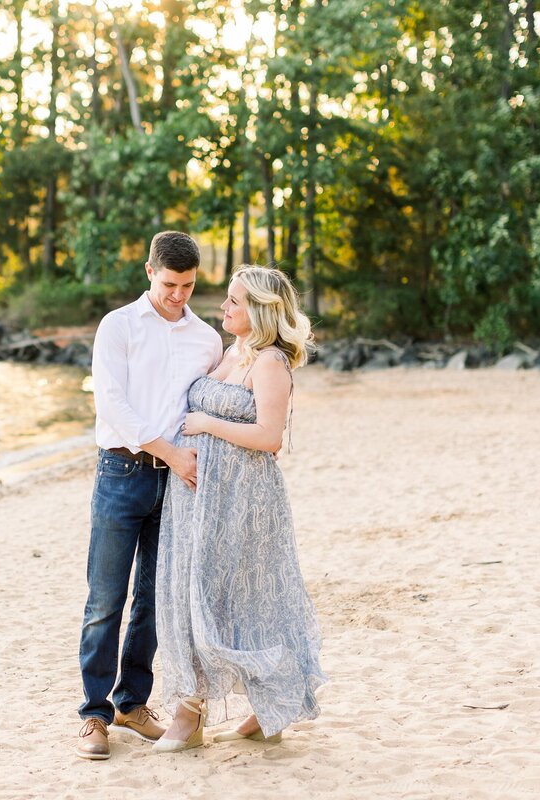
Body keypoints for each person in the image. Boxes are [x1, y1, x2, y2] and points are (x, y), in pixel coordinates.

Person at [151, 265, 327, 753]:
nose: (223, 308)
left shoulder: (270, 362)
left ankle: (219, 712)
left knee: (244, 601)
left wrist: (207, 422)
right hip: (196, 498)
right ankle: (201, 711)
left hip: (245, 501)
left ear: (259, 310)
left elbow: (270, 439)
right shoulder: (231, 352)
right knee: (193, 596)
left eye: (234, 301)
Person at [75, 232, 223, 760]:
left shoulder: (206, 338)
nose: (179, 295)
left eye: (188, 285)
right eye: (169, 284)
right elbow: (112, 404)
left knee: (155, 602)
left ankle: (131, 703)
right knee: (105, 600)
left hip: (178, 484)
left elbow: (209, 405)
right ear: (149, 272)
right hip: (121, 472)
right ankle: (93, 716)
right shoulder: (117, 326)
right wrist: (170, 451)